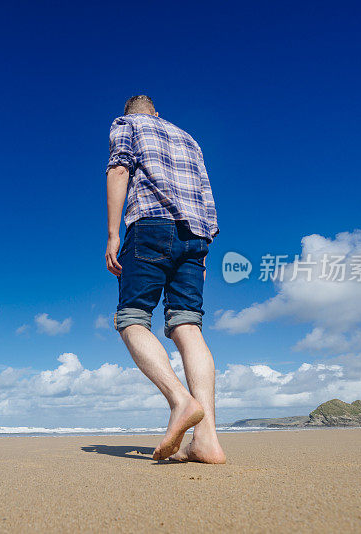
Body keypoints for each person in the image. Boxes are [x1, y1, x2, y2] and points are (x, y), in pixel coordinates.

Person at [105, 95, 226, 463]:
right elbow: (208, 198)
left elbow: (120, 170)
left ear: (130, 113)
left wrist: (113, 234)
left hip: (151, 226)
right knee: (188, 326)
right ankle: (206, 441)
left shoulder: (127, 125)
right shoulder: (190, 139)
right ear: (157, 112)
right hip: (196, 236)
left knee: (131, 318)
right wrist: (204, 249)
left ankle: (180, 400)